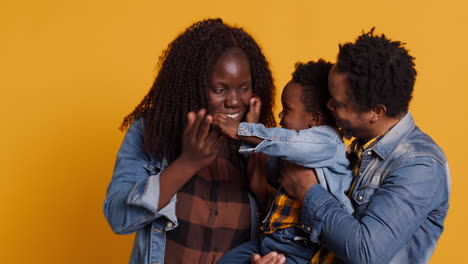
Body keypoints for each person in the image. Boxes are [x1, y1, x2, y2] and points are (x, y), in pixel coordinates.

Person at [103, 18, 280, 264]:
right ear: (194, 86)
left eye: (244, 88)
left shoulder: (264, 146)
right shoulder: (151, 132)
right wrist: (187, 163)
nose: (234, 101)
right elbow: (118, 217)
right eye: (219, 89)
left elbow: (283, 234)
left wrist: (259, 180)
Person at [278, 29, 450, 264]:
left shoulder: (419, 165)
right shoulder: (356, 150)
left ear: (375, 112)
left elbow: (366, 252)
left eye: (338, 104)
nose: (328, 105)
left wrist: (308, 191)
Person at [214, 60, 353, 264]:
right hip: (270, 239)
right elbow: (267, 169)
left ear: (314, 119)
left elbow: (288, 143)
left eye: (287, 109)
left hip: (300, 249)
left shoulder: (328, 142)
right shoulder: (289, 154)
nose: (280, 115)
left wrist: (244, 129)